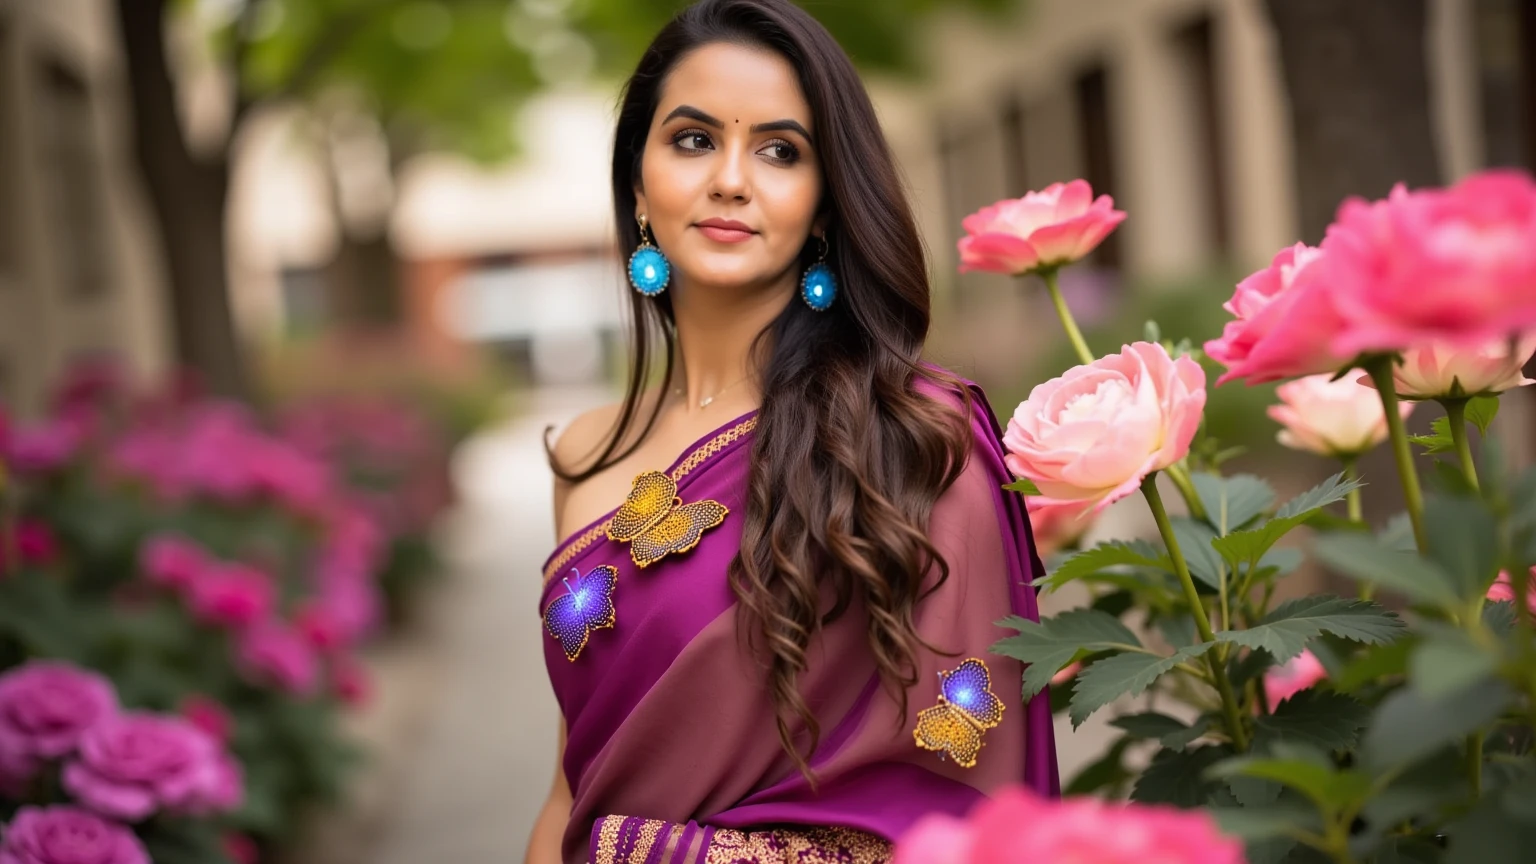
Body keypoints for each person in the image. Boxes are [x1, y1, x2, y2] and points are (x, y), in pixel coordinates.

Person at [525, 2, 1058, 862]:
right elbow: (570, 793)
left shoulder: (916, 443)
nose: (731, 178)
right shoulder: (585, 456)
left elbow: (969, 806)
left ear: (821, 206)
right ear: (637, 185)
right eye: (693, 139)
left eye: (781, 151)